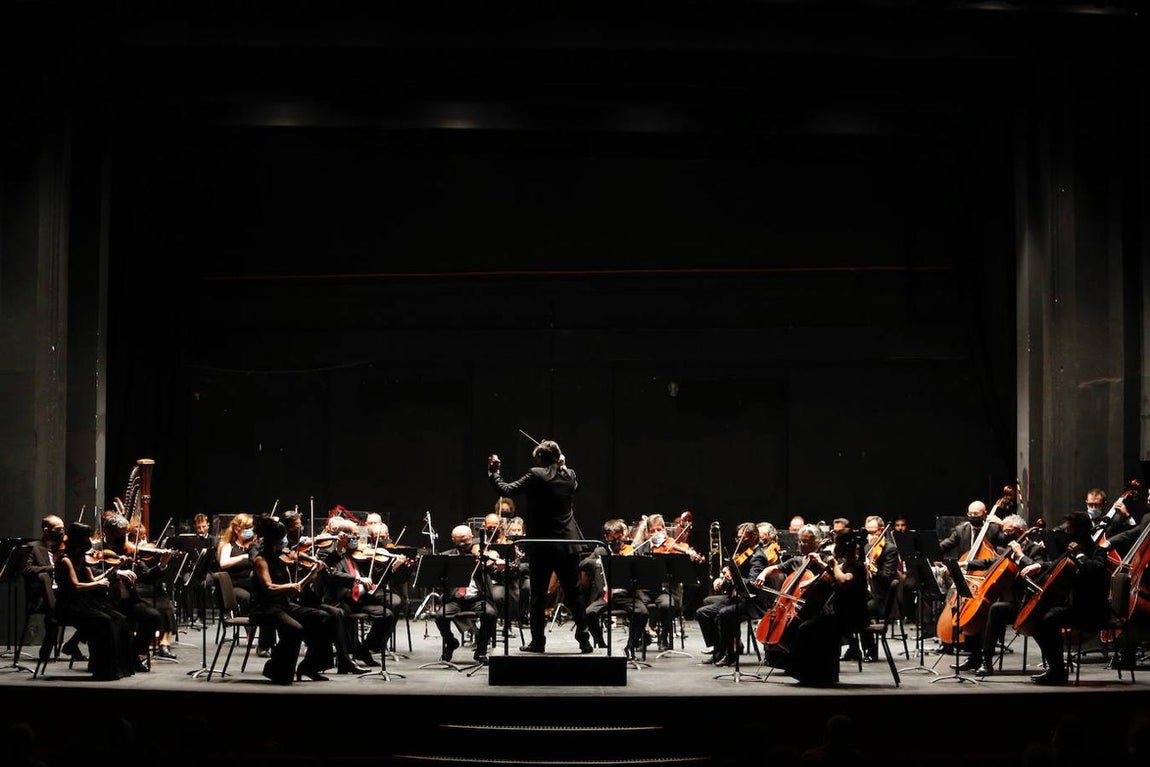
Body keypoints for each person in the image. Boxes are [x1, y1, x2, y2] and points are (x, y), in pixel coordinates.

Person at [487, 439, 592, 654]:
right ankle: (584, 640)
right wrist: (563, 465)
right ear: (558, 457)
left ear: (539, 459)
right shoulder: (570, 475)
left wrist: (494, 471)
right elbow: (573, 485)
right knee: (574, 594)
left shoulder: (536, 474)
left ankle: (538, 642)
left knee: (538, 595)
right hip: (567, 543)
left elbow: (505, 488)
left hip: (542, 544)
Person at [1025, 511, 1111, 685]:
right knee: (1037, 621)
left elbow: (1096, 571)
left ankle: (1057, 671)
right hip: (1075, 608)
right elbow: (1056, 564)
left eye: (1070, 530)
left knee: (1048, 620)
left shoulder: (1098, 551)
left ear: (1080, 531)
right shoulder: (1070, 550)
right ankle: (1056, 668)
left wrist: (1080, 555)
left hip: (1092, 610)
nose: (1067, 533)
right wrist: (1038, 565)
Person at [249, 515, 333, 684]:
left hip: (283, 605)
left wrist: (311, 573)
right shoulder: (261, 560)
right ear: (274, 540)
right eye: (282, 538)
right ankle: (275, 669)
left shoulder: (280, 558)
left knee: (323, 617)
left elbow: (291, 592)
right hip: (264, 608)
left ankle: (311, 665)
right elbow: (269, 588)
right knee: (295, 628)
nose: (285, 542)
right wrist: (290, 586)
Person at [959, 514, 1045, 677]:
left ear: (1019, 531)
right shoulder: (1010, 548)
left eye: (1008, 531)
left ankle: (986, 660)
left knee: (996, 609)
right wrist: (967, 563)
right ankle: (975, 656)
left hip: (1025, 603)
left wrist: (1021, 556)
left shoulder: (1036, 549)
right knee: (980, 609)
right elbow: (993, 562)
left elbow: (1040, 571)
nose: (1004, 535)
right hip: (1009, 599)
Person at [53, 522, 137, 680]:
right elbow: (76, 586)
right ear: (78, 539)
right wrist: (97, 584)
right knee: (104, 621)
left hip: (84, 603)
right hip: (69, 607)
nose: (89, 541)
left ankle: (121, 668)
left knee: (120, 619)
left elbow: (93, 578)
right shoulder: (66, 560)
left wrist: (113, 569)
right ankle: (103, 670)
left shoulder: (80, 559)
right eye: (86, 538)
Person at [696, 522, 769, 666]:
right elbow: (734, 581)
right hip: (737, 599)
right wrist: (723, 581)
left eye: (744, 539)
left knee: (725, 614)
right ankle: (718, 650)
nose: (740, 542)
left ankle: (731, 654)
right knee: (702, 613)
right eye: (738, 538)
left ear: (754, 537)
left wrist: (733, 577)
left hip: (751, 602)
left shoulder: (758, 557)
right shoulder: (742, 554)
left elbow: (752, 583)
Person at [98, 513, 164, 666]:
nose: (123, 538)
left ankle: (134, 654)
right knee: (119, 622)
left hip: (128, 600)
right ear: (107, 532)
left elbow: (146, 576)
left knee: (153, 616)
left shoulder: (127, 550)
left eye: (125, 534)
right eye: (119, 535)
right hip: (107, 601)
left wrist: (162, 565)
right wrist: (117, 572)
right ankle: (124, 658)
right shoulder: (98, 549)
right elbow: (93, 572)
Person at [21, 514, 88, 662]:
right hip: (42, 595)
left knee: (89, 605)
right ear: (46, 530)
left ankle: (72, 642)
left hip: (62, 592)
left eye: (63, 529)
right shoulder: (34, 547)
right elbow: (27, 569)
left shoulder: (62, 549)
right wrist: (52, 568)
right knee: (59, 608)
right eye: (58, 529)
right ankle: (55, 642)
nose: (62, 532)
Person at [579, 519, 650, 657]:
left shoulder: (631, 551)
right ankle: (600, 641)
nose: (618, 542)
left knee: (642, 613)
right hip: (606, 597)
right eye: (613, 539)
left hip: (627, 596)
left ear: (623, 535)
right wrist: (598, 562)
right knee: (589, 613)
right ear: (606, 538)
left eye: (620, 538)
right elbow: (583, 564)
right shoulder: (601, 551)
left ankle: (631, 645)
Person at [435, 524, 498, 663]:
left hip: (477, 599)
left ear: (472, 537)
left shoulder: (481, 554)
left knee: (490, 613)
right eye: (459, 541)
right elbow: (438, 580)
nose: (463, 544)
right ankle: (451, 642)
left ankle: (481, 651)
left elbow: (493, 571)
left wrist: (488, 562)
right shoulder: (447, 557)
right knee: (440, 617)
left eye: (465, 540)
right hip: (455, 600)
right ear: (453, 540)